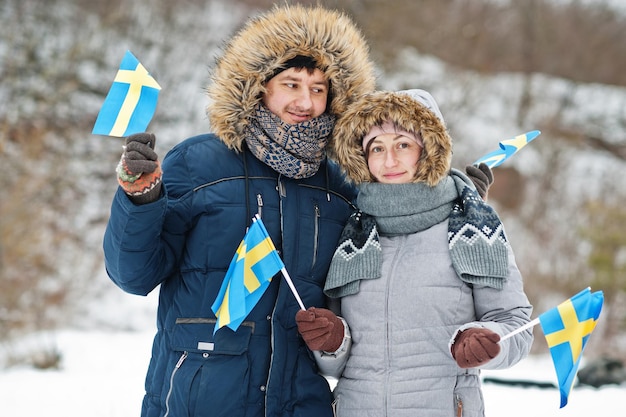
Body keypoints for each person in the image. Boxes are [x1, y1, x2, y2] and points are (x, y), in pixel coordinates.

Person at [103, 5, 376, 417]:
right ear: (258, 85)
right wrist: (140, 200)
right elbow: (133, 275)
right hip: (199, 398)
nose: (306, 101)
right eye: (292, 84)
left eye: (319, 89)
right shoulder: (199, 163)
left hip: (300, 402)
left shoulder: (340, 186)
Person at [296, 89, 533, 417]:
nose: (389, 160)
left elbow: (516, 325)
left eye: (402, 145)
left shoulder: (473, 227)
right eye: (377, 148)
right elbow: (340, 365)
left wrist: (488, 341)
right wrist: (332, 341)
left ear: (428, 149)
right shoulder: (353, 232)